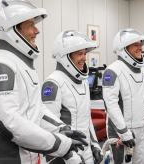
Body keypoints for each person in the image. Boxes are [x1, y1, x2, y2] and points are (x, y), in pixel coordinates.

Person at [0, 1, 86, 163]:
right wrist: (60, 145)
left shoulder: (20, 65)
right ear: (11, 30)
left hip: (31, 157)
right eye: (30, 25)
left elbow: (36, 111)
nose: (37, 30)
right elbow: (9, 124)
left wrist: (60, 129)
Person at [41, 30, 103, 164]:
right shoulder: (53, 83)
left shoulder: (84, 82)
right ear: (65, 57)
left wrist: (95, 145)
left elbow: (87, 120)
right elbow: (49, 129)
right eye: (80, 54)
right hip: (64, 156)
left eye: (85, 53)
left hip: (86, 152)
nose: (84, 58)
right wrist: (71, 157)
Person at [102, 28, 144, 164]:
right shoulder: (112, 70)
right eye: (136, 44)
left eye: (140, 44)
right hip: (120, 131)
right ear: (123, 48)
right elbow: (110, 104)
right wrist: (124, 132)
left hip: (140, 129)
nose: (140, 47)